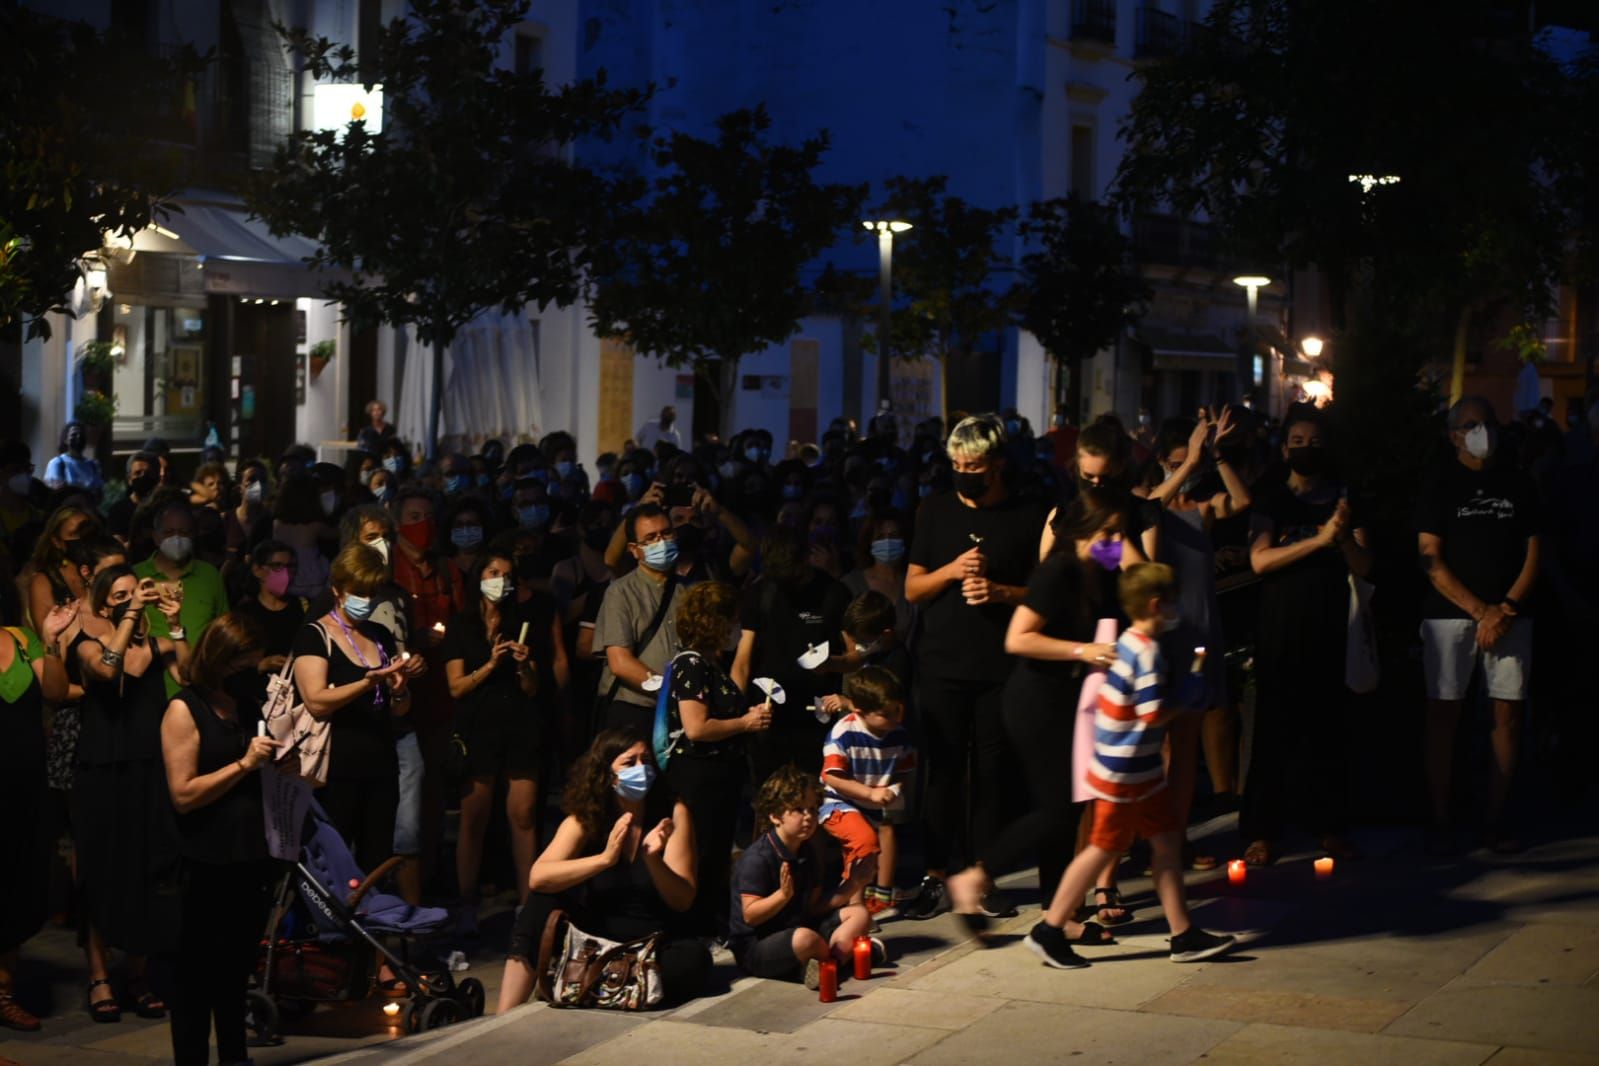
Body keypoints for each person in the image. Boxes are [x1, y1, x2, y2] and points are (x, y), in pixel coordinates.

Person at [1023, 563, 1236, 969]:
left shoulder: (1128, 643)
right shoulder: (1147, 652)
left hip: (1137, 770)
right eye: (1173, 600)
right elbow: (1153, 713)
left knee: (1166, 845)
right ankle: (1049, 930)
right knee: (1102, 849)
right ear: (1157, 604)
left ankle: (1183, 934)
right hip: (1124, 773)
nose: (1178, 608)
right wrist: (1188, 695)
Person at [903, 414, 1046, 919]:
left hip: (999, 667)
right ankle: (936, 874)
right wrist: (951, 570)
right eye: (958, 465)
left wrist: (1002, 592)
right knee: (942, 773)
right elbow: (912, 587)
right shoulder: (935, 511)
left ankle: (985, 875)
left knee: (992, 776)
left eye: (975, 465)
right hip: (941, 664)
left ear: (998, 464)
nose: (965, 473)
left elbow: (1048, 590)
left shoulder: (1029, 516)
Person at [498, 731, 709, 1012]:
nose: (640, 769)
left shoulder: (671, 812)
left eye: (645, 761)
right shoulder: (590, 813)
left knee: (694, 960)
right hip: (592, 938)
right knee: (540, 902)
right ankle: (506, 1011)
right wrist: (604, 859)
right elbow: (538, 876)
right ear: (607, 774)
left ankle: (595, 983)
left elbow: (683, 900)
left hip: (650, 941)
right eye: (629, 762)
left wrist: (652, 859)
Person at [1243, 411, 1371, 866]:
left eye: (1313, 440)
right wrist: (1319, 541)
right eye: (1297, 439)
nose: (1305, 447)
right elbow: (1260, 560)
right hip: (1280, 624)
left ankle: (1330, 826)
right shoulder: (1272, 501)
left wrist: (1341, 536)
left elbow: (1363, 565)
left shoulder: (1343, 499)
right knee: (1273, 729)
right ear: (1284, 449)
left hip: (1330, 624)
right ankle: (1262, 831)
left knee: (1327, 729)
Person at [1418, 397, 1541, 854]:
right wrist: (1479, 611)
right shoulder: (1439, 484)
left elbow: (1533, 553)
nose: (1481, 432)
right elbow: (1430, 557)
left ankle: (1495, 819)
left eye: (1487, 423)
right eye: (1471, 425)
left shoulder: (1519, 483)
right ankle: (1441, 817)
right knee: (1443, 712)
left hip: (1510, 616)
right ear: (1453, 435)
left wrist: (1505, 607)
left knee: (1507, 713)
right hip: (1451, 616)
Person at [71, 566, 192, 1021]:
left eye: (134, 592)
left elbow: (190, 676)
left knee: (149, 870)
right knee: (101, 873)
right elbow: (107, 669)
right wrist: (130, 617)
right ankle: (100, 976)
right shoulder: (87, 646)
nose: (131, 599)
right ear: (104, 606)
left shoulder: (159, 647)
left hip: (151, 769)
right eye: (120, 596)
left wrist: (176, 624)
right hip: (102, 770)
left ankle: (138, 974)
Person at [159, 615, 276, 1066]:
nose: (254, 670)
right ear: (222, 661)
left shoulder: (247, 704)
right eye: (245, 662)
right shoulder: (185, 710)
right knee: (195, 978)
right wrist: (245, 765)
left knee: (234, 973)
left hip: (249, 854)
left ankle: (235, 1057)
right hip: (202, 859)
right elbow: (184, 794)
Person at [1141, 410, 1252, 869]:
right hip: (1163, 635)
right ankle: (1154, 839)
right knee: (1158, 744)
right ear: (1161, 461)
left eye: (1191, 462)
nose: (1185, 470)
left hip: (1201, 635)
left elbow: (1242, 502)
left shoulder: (1201, 508)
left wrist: (1218, 454)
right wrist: (1187, 465)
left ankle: (1177, 836)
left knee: (1186, 745)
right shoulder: (1148, 505)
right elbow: (1145, 508)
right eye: (1175, 461)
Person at [658, 581, 773, 936]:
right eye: (732, 621)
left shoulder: (711, 664)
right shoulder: (691, 665)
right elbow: (696, 727)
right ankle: (693, 929)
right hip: (698, 777)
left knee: (717, 853)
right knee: (701, 852)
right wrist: (745, 722)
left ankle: (711, 922)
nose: (736, 630)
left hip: (721, 776)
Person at [292, 543, 414, 870]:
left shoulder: (380, 636)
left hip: (380, 764)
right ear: (337, 588)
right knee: (334, 861)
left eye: (372, 592)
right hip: (335, 769)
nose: (366, 600)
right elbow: (316, 701)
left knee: (377, 858)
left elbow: (398, 710)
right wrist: (366, 682)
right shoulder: (315, 635)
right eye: (358, 592)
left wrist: (399, 692)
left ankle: (373, 918)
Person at [443, 547, 545, 934]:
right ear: (478, 578)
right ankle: (467, 902)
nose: (498, 580)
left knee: (523, 814)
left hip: (519, 726)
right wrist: (490, 664)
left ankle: (528, 905)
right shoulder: (462, 625)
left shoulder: (523, 621)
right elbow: (455, 687)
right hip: (477, 729)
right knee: (474, 819)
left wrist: (521, 664)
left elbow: (533, 688)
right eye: (491, 571)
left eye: (505, 573)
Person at [728, 764, 881, 987]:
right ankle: (838, 960)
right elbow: (751, 915)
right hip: (757, 945)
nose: (809, 817)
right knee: (805, 939)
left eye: (812, 809)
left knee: (858, 914)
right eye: (799, 810)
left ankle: (827, 965)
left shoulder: (807, 849)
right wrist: (782, 895)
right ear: (775, 815)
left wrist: (852, 884)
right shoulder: (758, 858)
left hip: (798, 926)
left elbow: (812, 908)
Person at [731, 526, 850, 784]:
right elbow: (742, 659)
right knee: (768, 795)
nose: (785, 582)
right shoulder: (760, 592)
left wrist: (831, 664)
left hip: (816, 715)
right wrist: (736, 711)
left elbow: (855, 658)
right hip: (767, 714)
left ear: (805, 558)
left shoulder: (835, 594)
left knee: (814, 793)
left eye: (790, 575)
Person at [0, 610, 73, 1031]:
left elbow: (57, 691)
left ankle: (4, 991)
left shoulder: (23, 640)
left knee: (18, 885)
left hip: (25, 787)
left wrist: (50, 641)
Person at [817, 666, 916, 919]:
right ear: (860, 711)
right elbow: (831, 776)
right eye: (886, 714)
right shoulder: (844, 733)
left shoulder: (898, 734)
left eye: (898, 709)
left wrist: (893, 788)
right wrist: (869, 794)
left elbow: (904, 769)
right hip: (841, 800)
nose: (895, 718)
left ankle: (879, 895)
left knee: (883, 832)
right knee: (862, 839)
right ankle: (854, 906)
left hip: (877, 798)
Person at [594, 504, 685, 737]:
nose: (661, 542)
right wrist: (671, 690)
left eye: (666, 533)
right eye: (651, 538)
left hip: (682, 710)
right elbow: (620, 663)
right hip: (635, 708)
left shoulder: (688, 590)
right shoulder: (620, 592)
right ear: (634, 549)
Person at [134, 501, 229, 698]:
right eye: (169, 532)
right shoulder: (136, 576)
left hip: (203, 688)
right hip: (148, 690)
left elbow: (223, 630)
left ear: (194, 535)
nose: (176, 538)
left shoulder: (209, 575)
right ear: (155, 535)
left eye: (184, 532)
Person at [230, 539, 306, 706]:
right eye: (277, 566)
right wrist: (262, 664)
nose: (285, 573)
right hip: (257, 699)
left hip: (297, 699)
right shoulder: (244, 614)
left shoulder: (303, 607)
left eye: (291, 566)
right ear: (258, 570)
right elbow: (231, 664)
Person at [842, 511, 914, 642]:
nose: (888, 542)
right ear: (869, 542)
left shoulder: (913, 582)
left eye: (894, 536)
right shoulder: (851, 583)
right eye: (880, 537)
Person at [24, 504, 98, 631]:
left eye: (87, 532)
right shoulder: (43, 582)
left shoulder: (103, 567)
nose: (83, 539)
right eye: (75, 534)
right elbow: (47, 637)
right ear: (57, 542)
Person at [105, 452, 159, 542]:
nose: (143, 476)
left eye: (148, 473)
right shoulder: (118, 511)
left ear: (157, 477)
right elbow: (118, 545)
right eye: (138, 473)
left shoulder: (165, 509)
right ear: (129, 478)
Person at [44, 421, 104, 497]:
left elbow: (99, 494)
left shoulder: (93, 465)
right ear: (65, 439)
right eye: (74, 435)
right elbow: (54, 493)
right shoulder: (57, 463)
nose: (78, 437)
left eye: (81, 435)